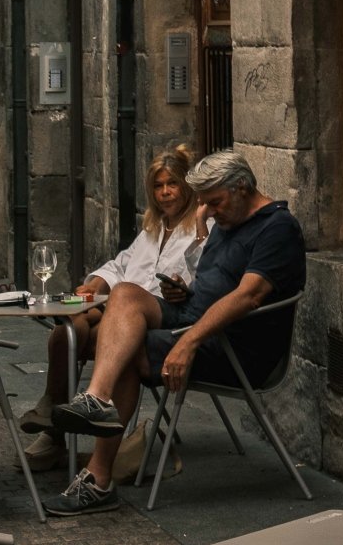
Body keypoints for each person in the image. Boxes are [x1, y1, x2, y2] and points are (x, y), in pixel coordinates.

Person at [44, 148, 306, 516]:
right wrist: (183, 286)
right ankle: (97, 398)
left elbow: (248, 296)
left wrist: (188, 341)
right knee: (125, 294)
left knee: (132, 352)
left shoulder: (277, 228)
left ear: (243, 187)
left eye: (214, 202)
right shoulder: (227, 221)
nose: (209, 212)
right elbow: (211, 281)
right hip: (192, 315)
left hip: (232, 347)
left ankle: (98, 480)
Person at [17, 144, 206, 471]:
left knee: (77, 336)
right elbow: (121, 265)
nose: (164, 193)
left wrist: (182, 287)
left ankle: (55, 425)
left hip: (156, 319)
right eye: (158, 186)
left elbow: (204, 278)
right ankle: (52, 420)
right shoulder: (152, 228)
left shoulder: (201, 229)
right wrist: (97, 283)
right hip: (119, 309)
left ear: (186, 186)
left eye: (171, 184)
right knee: (69, 328)